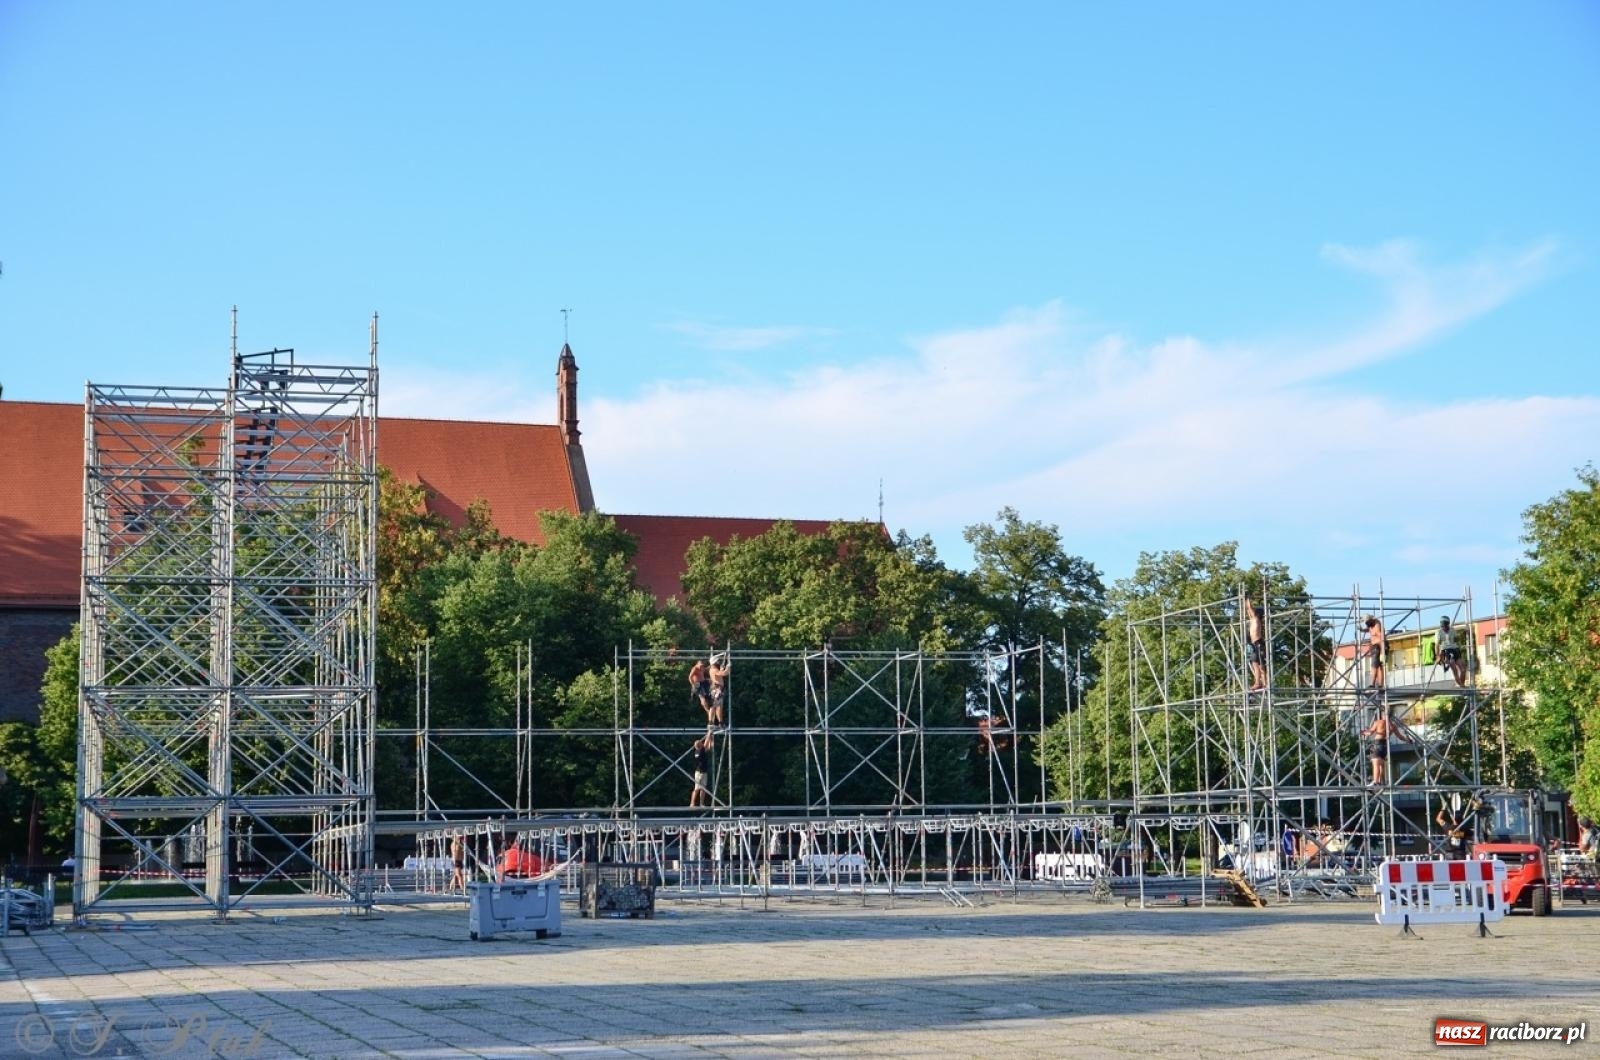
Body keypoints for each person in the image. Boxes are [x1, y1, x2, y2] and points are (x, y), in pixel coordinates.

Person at [1360, 706, 1399, 786]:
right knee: (1381, 763)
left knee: (1376, 762)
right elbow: (1400, 736)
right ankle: (1381, 781)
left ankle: (1375, 781)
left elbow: (1370, 732)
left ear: (1383, 715)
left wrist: (1363, 732)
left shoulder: (1379, 722)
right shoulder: (1393, 726)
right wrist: (1409, 740)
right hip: (1385, 746)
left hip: (1378, 743)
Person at [1245, 597, 1267, 691]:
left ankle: (1263, 682)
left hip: (1258, 643)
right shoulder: (1253, 619)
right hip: (1254, 644)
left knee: (1259, 664)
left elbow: (1250, 608)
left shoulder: (1256, 619)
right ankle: (1259, 682)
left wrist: (1247, 597)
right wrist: (1244, 600)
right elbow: (1248, 609)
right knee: (1255, 664)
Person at [1437, 617, 1467, 687]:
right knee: (1455, 670)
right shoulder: (1439, 632)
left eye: (1446, 626)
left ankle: (1462, 685)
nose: (1444, 628)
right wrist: (1438, 656)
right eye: (1443, 626)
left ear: (1448, 624)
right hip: (1447, 651)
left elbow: (1456, 639)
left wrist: (1463, 632)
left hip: (1455, 650)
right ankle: (1461, 686)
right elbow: (1437, 645)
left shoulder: (1452, 630)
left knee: (1463, 670)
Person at [1362, 616, 1387, 691]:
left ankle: (1372, 684)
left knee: (1374, 666)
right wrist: (1362, 629)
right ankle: (1380, 685)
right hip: (1376, 646)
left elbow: (1381, 638)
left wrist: (1383, 651)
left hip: (1378, 646)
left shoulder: (1377, 625)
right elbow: (1368, 629)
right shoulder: (1371, 625)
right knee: (1379, 667)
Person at [688, 732, 713, 808]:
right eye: (701, 743)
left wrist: (710, 738)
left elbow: (709, 747)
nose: (702, 743)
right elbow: (706, 745)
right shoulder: (700, 751)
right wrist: (709, 734)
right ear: (700, 745)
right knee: (697, 788)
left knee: (702, 789)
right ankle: (692, 803)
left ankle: (701, 803)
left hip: (702, 772)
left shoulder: (698, 751)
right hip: (699, 773)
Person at [708, 653, 730, 728]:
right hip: (716, 690)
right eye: (717, 661)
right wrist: (728, 667)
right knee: (714, 706)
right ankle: (710, 723)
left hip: (719, 689)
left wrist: (722, 668)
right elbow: (724, 674)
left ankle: (720, 722)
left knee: (719, 707)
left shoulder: (714, 669)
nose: (718, 662)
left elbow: (720, 674)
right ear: (714, 662)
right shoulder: (713, 669)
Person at [688, 658, 712, 724]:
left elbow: (706, 669)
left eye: (702, 665)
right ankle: (708, 711)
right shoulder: (695, 668)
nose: (701, 666)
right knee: (702, 698)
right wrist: (693, 684)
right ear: (697, 663)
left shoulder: (702, 668)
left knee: (711, 681)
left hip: (703, 683)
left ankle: (710, 706)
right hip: (698, 684)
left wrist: (712, 665)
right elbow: (690, 677)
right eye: (700, 665)